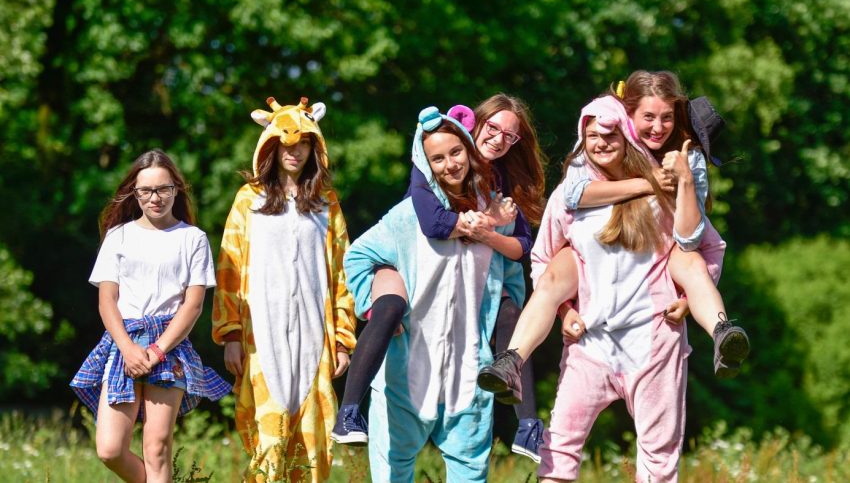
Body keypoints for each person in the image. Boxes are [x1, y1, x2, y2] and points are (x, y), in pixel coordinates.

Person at [479, 71, 749, 408]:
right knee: (552, 276)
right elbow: (573, 192)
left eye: (667, 118)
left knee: (691, 262)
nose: (658, 127)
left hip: (661, 253)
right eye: (648, 117)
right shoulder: (605, 133)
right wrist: (649, 183)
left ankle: (723, 334)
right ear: (627, 114)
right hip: (594, 250)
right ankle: (511, 360)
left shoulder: (687, 156)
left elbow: (691, 237)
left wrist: (684, 181)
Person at [332, 94, 548, 462]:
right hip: (409, 274)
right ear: (473, 125)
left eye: (509, 136)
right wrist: (488, 221)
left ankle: (527, 423)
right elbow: (433, 223)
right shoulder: (431, 162)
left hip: (468, 310)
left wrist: (490, 231)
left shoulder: (500, 186)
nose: (498, 139)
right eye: (492, 128)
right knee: (390, 304)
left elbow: (521, 248)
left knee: (513, 313)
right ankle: (350, 410)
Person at [534, 96, 716, 481]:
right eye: (592, 136)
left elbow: (707, 246)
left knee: (659, 455)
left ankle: (721, 329)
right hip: (590, 342)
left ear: (626, 136)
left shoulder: (662, 190)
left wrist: (687, 300)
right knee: (558, 446)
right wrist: (565, 311)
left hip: (653, 339)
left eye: (611, 135)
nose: (602, 143)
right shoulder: (570, 195)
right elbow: (541, 258)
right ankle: (512, 359)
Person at [211, 97, 357, 482]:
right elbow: (229, 267)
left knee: (312, 444)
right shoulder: (248, 199)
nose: (295, 151)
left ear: (315, 147)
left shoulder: (327, 203)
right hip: (261, 335)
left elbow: (343, 272)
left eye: (304, 143)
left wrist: (344, 339)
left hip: (314, 336)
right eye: (286, 144)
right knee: (268, 440)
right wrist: (230, 334)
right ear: (271, 146)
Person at [70, 149, 230, 483]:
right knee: (110, 449)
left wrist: (157, 350)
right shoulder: (118, 236)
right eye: (146, 191)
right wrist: (128, 348)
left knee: (156, 448)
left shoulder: (193, 239)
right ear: (135, 192)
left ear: (176, 190)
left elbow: (193, 305)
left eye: (163, 189)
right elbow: (107, 301)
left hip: (169, 346)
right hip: (124, 343)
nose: (155, 198)